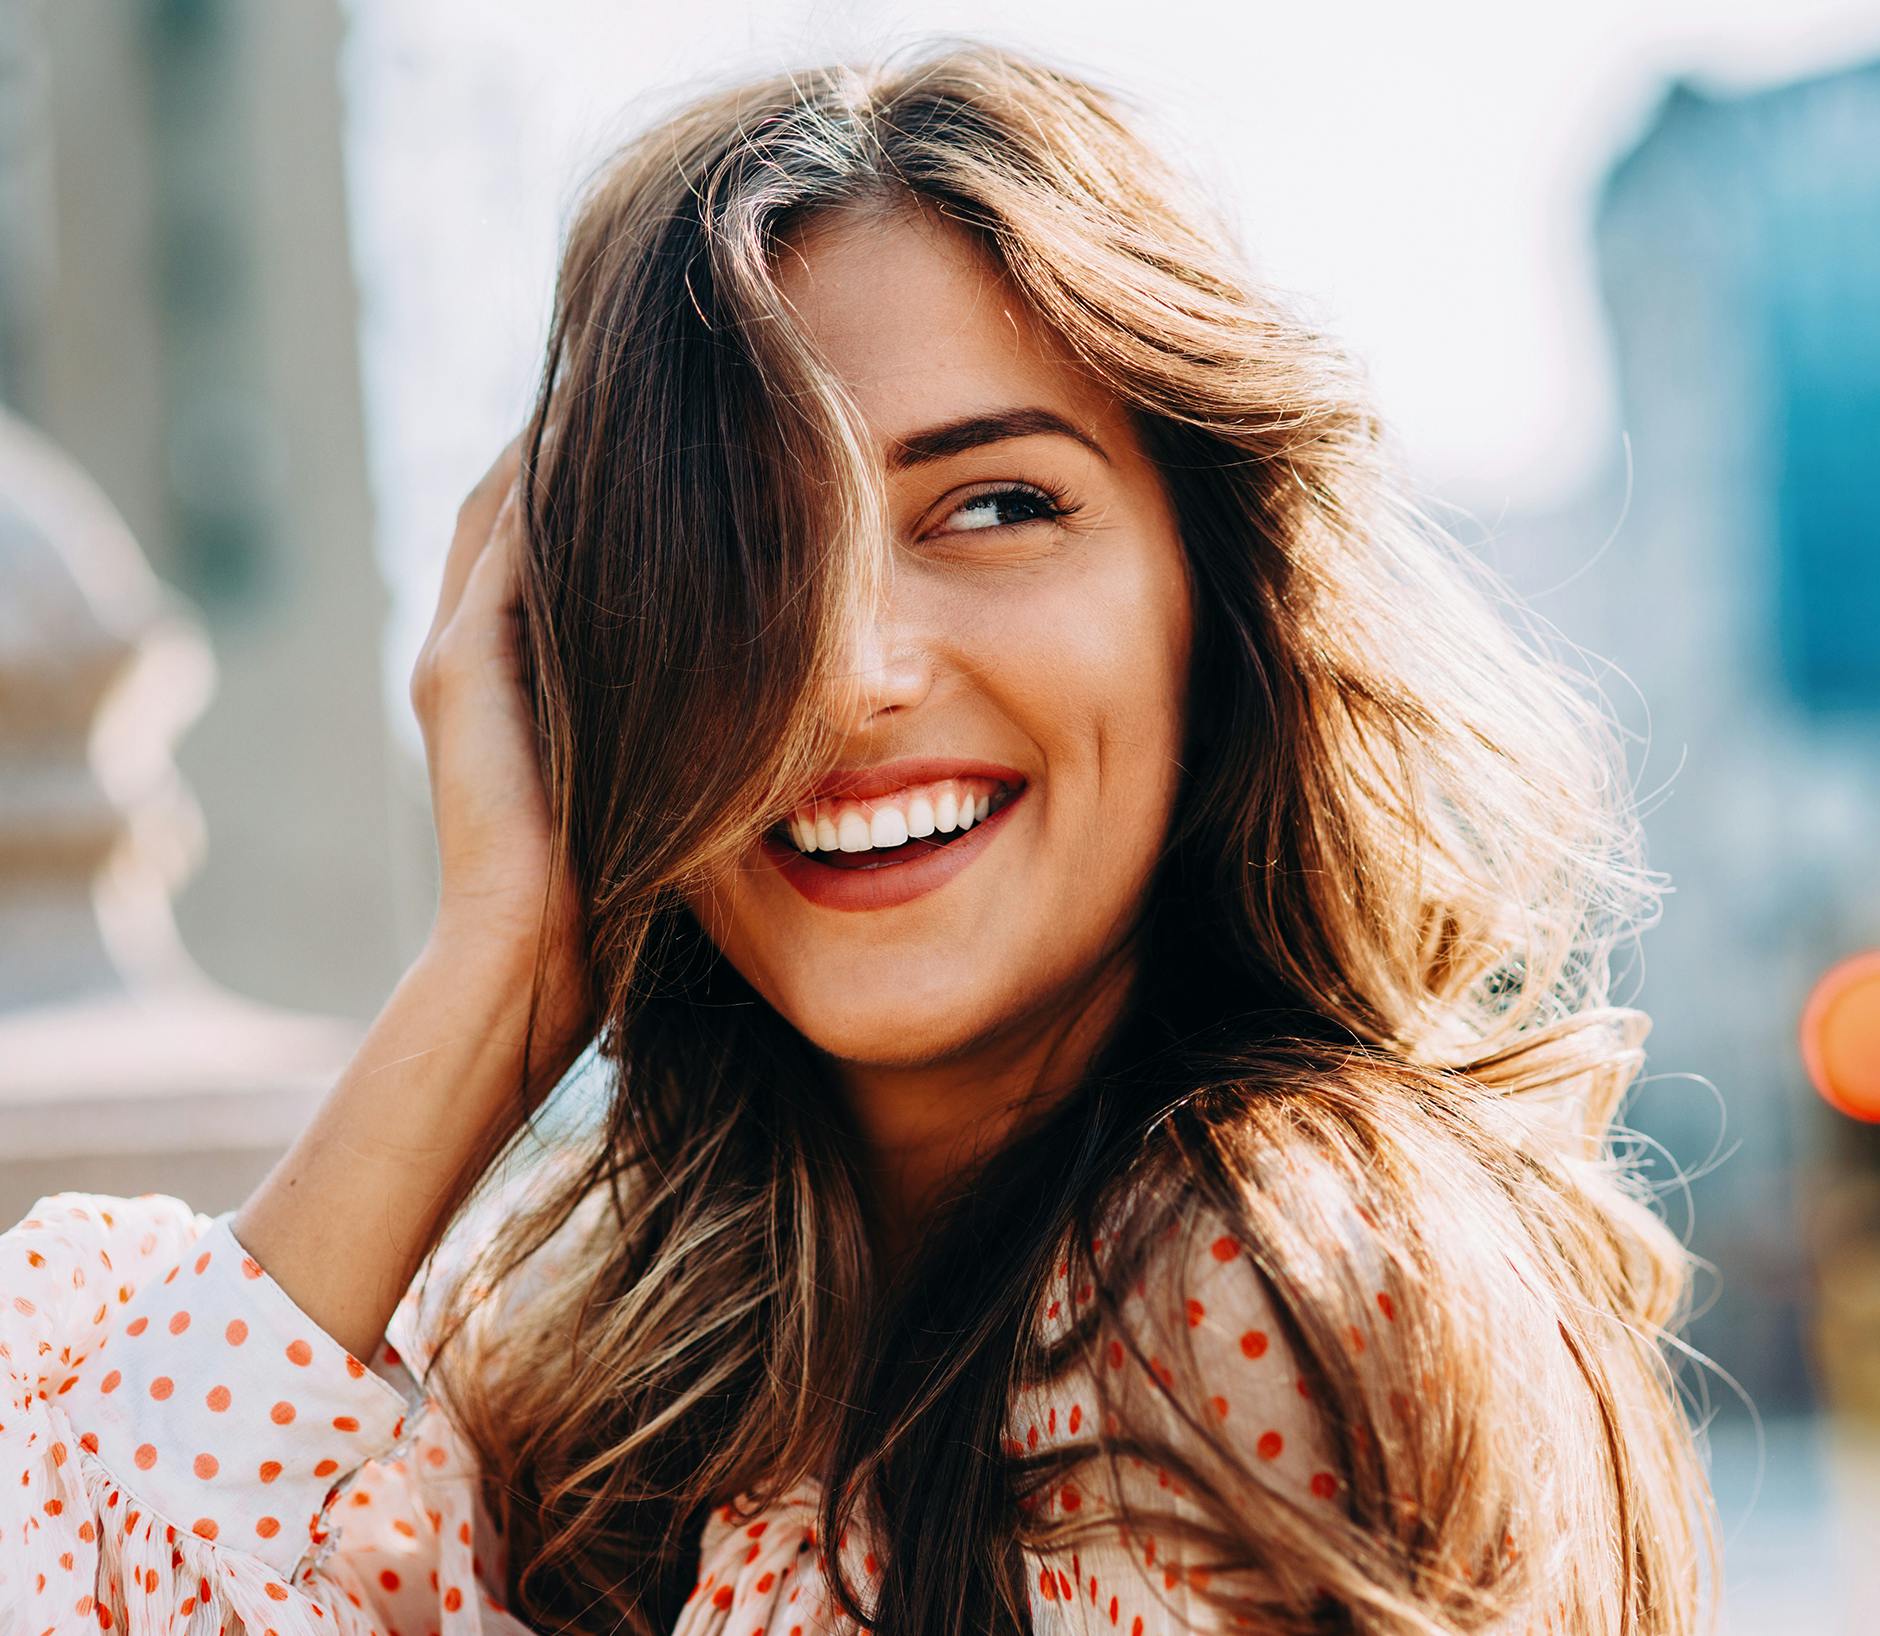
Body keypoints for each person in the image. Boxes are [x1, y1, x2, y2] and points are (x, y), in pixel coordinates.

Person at [0, 39, 1718, 1636]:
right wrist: (494, 980)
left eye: (992, 506)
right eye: (741, 555)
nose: (847, 671)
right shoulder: (617, 1373)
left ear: (1216, 597)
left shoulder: (1243, 1293)